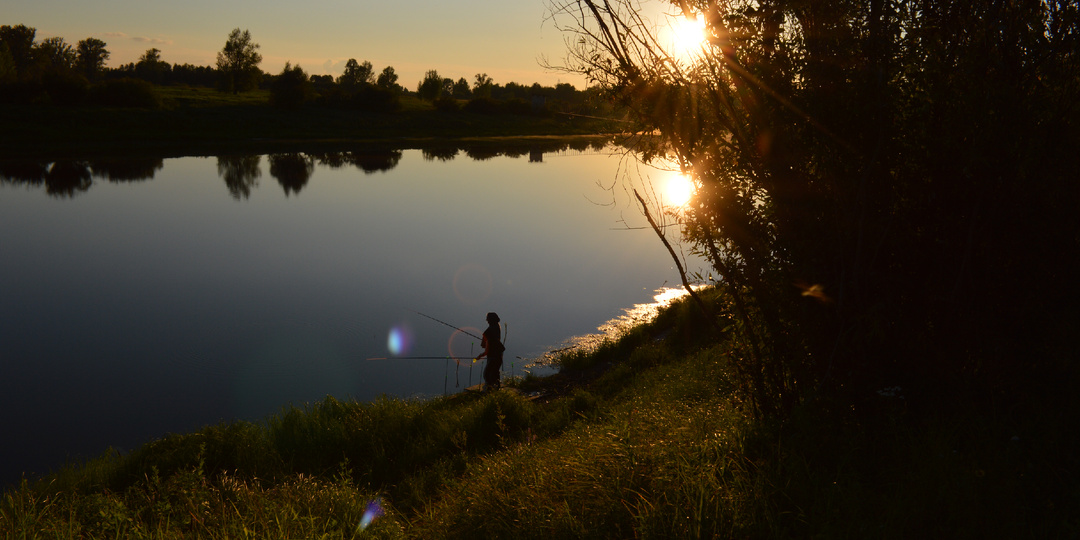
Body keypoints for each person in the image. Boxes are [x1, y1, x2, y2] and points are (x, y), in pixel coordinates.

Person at [474, 312, 505, 391]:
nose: (486, 320)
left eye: (487, 319)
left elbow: (485, 348)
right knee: (495, 372)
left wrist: (480, 356)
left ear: (490, 320)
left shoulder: (488, 332)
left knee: (487, 374)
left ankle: (489, 390)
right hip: (499, 354)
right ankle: (496, 388)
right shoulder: (497, 327)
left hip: (492, 355)